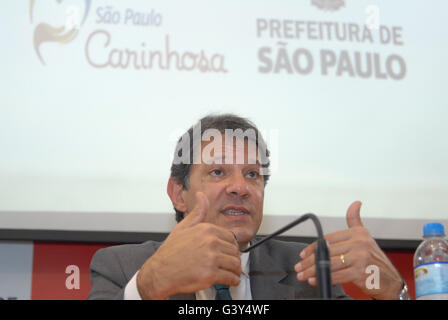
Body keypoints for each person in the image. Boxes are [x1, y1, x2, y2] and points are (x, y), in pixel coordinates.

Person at [88, 114, 405, 300]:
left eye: (252, 174)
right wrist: (148, 286)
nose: (241, 187)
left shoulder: (305, 272)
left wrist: (393, 290)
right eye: (218, 172)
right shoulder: (122, 267)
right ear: (178, 193)